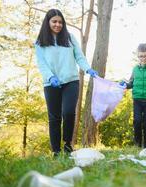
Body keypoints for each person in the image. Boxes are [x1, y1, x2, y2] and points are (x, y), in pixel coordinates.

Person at [34, 9, 98, 156]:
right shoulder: (40, 42)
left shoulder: (69, 38)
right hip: (51, 83)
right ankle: (56, 151)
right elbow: (41, 64)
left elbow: (79, 57)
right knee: (54, 117)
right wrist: (50, 77)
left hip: (71, 80)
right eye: (54, 21)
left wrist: (88, 69)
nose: (58, 24)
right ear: (48, 22)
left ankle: (68, 144)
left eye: (60, 22)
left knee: (69, 113)